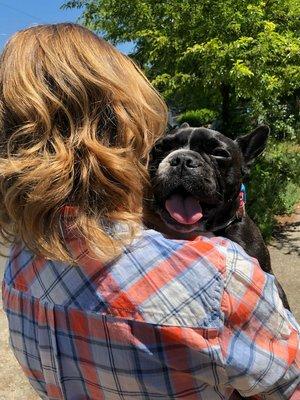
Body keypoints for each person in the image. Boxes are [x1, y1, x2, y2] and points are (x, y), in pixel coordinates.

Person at [0, 23, 299, 400]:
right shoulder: (222, 278)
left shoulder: (19, 262)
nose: (183, 163)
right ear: (130, 125)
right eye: (163, 148)